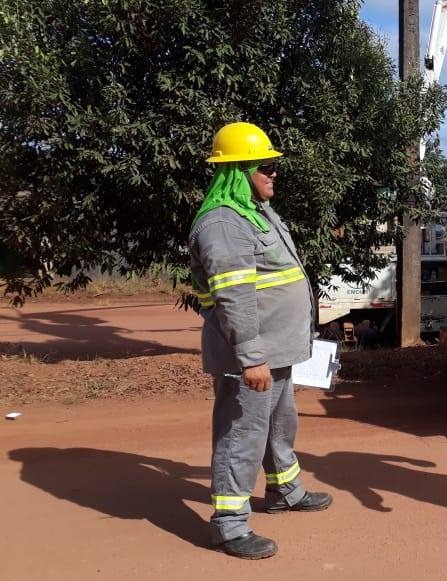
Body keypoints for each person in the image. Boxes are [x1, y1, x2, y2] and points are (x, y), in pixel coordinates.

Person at [189, 122, 332, 560]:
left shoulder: (255, 211)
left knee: (278, 424)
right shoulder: (223, 224)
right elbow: (234, 296)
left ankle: (284, 490)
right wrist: (251, 358)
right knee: (241, 434)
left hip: (276, 348)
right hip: (252, 354)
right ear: (238, 170)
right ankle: (230, 526)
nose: (274, 173)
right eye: (265, 166)